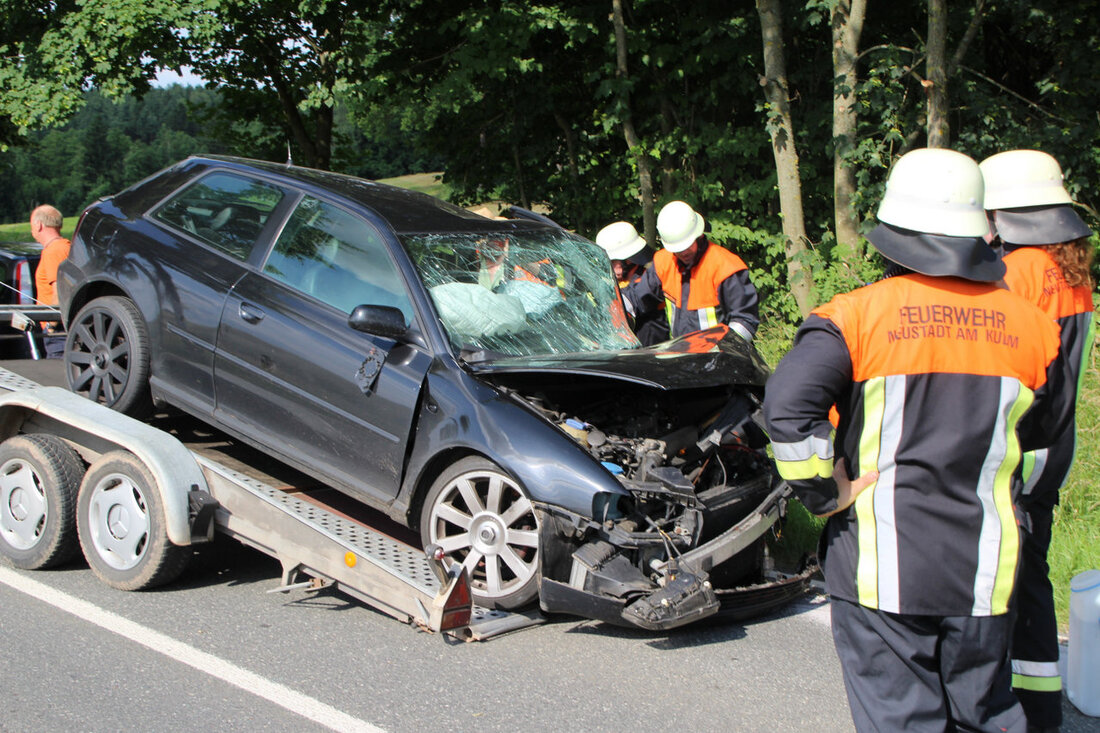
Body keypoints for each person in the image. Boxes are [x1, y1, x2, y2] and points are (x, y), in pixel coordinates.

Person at [763, 148, 1070, 732]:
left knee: (904, 719)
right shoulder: (1034, 328)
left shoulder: (853, 317)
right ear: (981, 230)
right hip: (986, 567)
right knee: (988, 714)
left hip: (883, 568)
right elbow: (1043, 443)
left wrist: (826, 492)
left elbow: (786, 410)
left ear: (895, 231)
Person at [980, 149, 1095, 733]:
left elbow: (1005, 362)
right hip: (1057, 441)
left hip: (1023, 442)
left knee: (1007, 574)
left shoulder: (1019, 269)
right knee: (1030, 570)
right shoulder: (1069, 266)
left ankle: (1018, 712)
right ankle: (1039, 702)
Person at [623, 201, 759, 342]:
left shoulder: (725, 267)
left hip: (719, 357)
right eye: (677, 249)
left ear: (698, 236)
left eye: (687, 246)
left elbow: (745, 321)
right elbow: (636, 296)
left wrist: (727, 347)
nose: (683, 252)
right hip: (683, 355)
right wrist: (615, 312)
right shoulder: (664, 262)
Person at [594, 221, 669, 345]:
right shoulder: (616, 282)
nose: (609, 267)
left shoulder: (646, 280)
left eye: (613, 262)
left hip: (650, 351)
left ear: (628, 259)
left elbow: (632, 301)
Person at [30, 204, 70, 358]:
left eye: (31, 225)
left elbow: (60, 290)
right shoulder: (63, 247)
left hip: (58, 331)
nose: (31, 230)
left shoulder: (54, 251)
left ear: (39, 225)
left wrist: (49, 325)